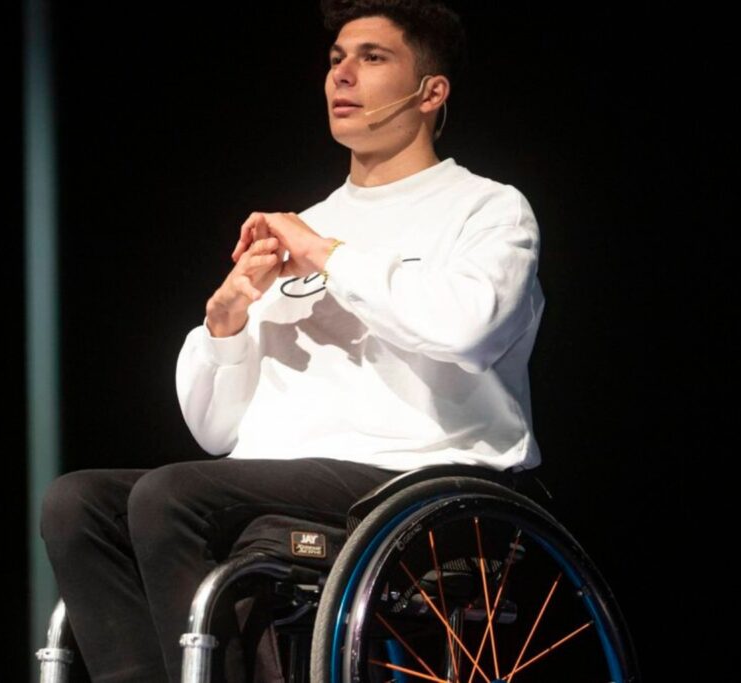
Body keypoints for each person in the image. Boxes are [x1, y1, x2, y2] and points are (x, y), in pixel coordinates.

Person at [40, 1, 545, 682]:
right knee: (77, 504)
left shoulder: (486, 208)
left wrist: (332, 255)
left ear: (431, 93)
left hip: (414, 477)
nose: (342, 76)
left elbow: (467, 330)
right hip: (281, 480)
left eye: (372, 57)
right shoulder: (302, 227)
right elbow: (216, 432)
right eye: (337, 59)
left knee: (171, 498)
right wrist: (226, 327)